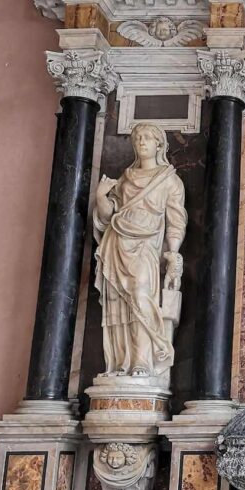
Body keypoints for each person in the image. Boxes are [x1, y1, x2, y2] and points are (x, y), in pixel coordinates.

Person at [94, 122, 187, 378]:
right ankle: (123, 363)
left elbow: (176, 222)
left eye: (147, 138)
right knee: (118, 301)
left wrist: (172, 254)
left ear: (159, 144)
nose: (141, 142)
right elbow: (107, 215)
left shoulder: (170, 181)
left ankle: (144, 360)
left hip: (147, 246)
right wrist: (101, 197)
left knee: (140, 296)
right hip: (117, 241)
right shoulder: (125, 178)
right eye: (137, 138)